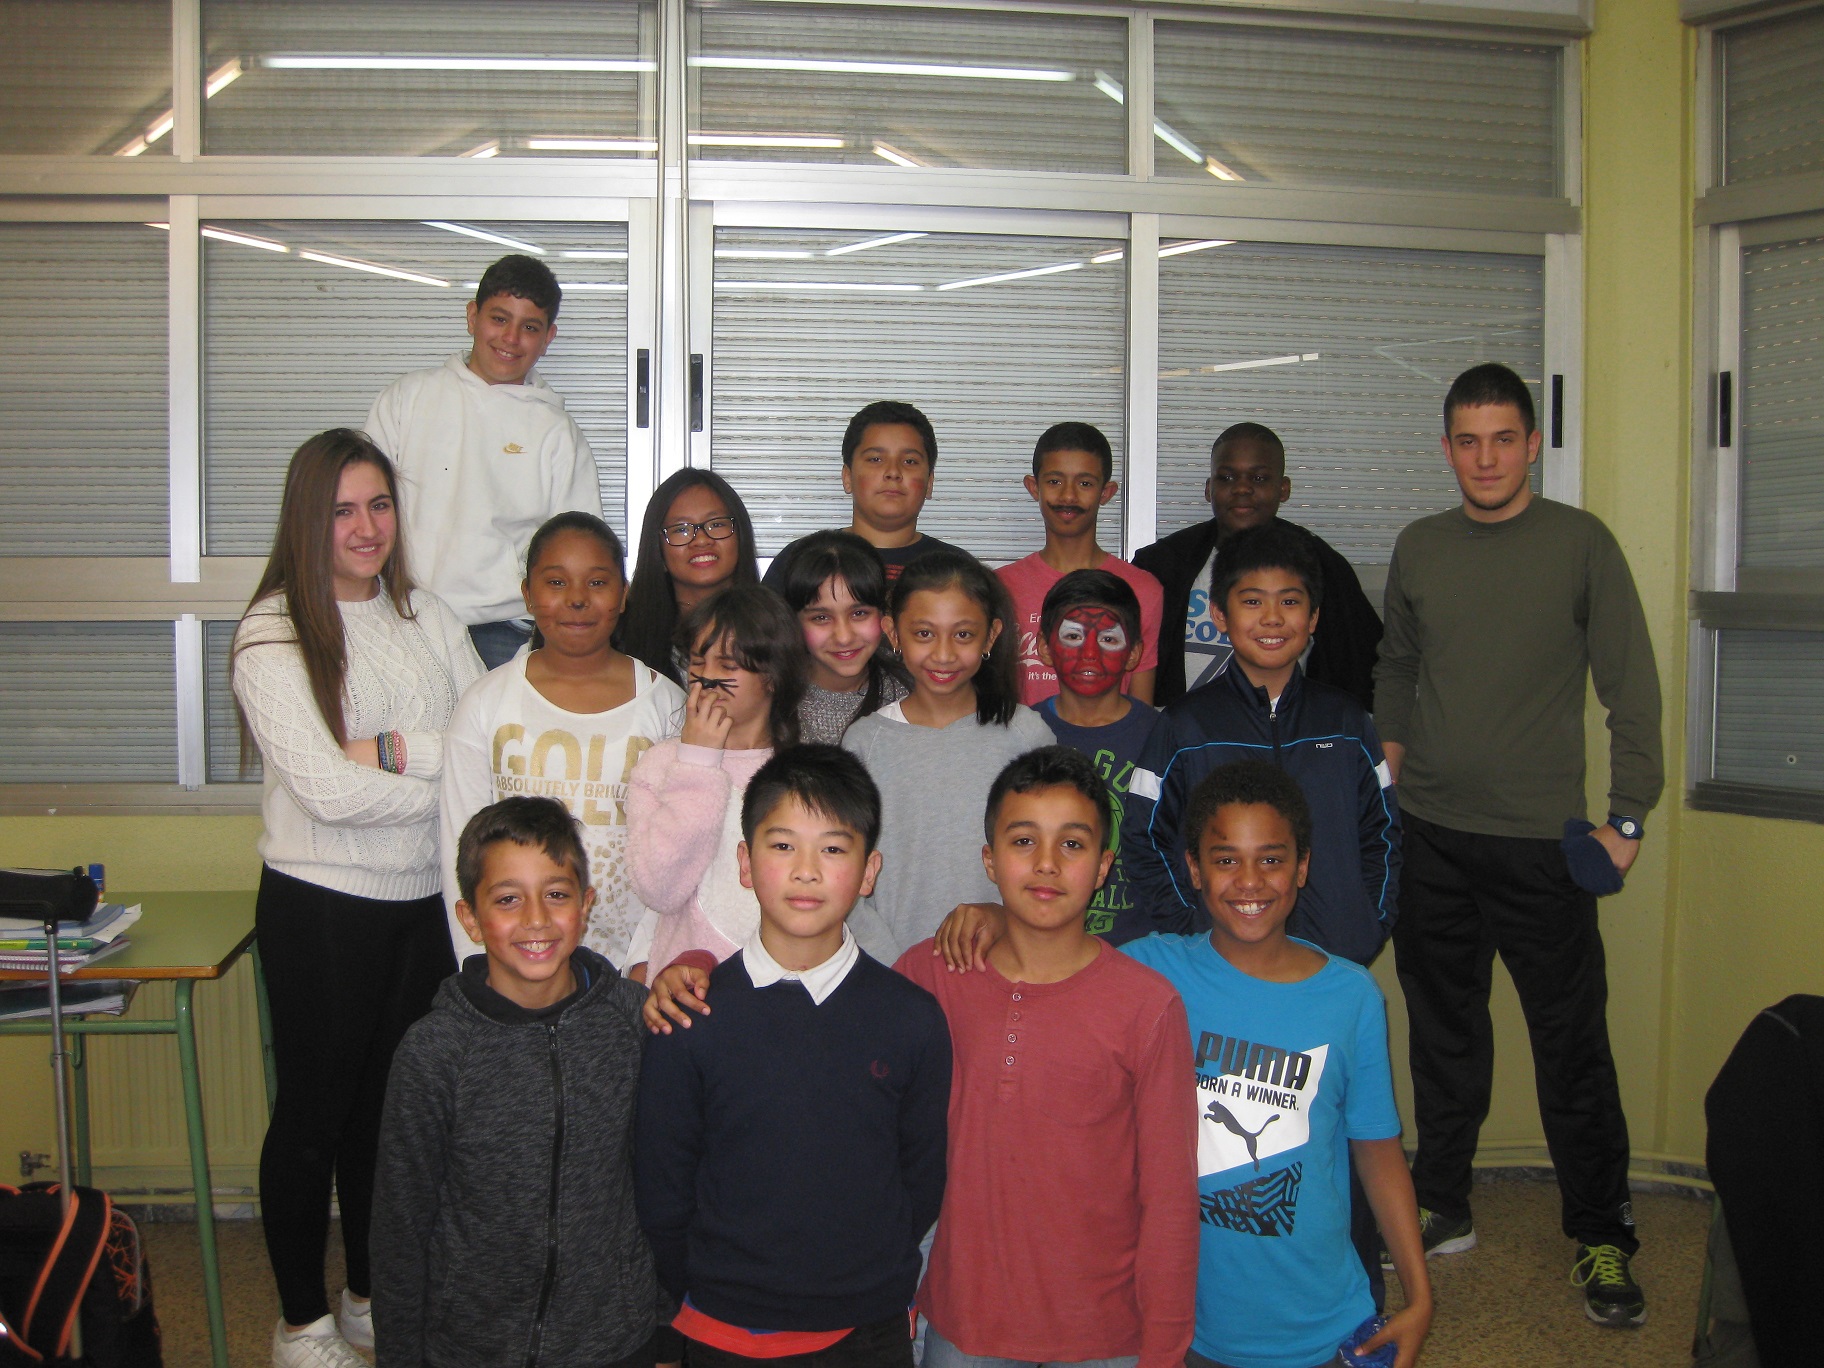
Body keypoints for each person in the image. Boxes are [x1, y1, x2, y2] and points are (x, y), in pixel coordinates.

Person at [1373, 361, 1663, 1328]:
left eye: (1504, 439)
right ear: (1447, 447)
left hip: (1543, 845)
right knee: (1443, 1033)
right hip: (1433, 837)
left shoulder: (1580, 544)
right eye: (1469, 440)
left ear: (1533, 444)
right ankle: (1444, 1201)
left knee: (1570, 1046)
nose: (1486, 458)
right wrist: (1393, 773)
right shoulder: (1420, 546)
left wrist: (1627, 821)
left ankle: (1603, 1234)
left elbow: (1631, 687)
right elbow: (1397, 667)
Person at [231, 428, 483, 1368]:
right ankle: (299, 1323)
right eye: (342, 510)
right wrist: (444, 783)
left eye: (379, 504)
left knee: (387, 1115)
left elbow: (483, 747)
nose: (367, 527)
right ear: (308, 518)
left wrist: (389, 749)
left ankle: (369, 1295)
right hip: (322, 908)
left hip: (423, 903)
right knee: (314, 1116)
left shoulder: (428, 614)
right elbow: (326, 795)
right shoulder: (272, 632)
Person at [634, 744, 952, 1368]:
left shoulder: (911, 1019)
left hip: (866, 1330)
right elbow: (663, 1191)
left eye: (832, 849)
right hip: (723, 1328)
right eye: (782, 845)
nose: (806, 871)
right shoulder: (690, 1017)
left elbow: (920, 1179)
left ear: (868, 871)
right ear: (745, 863)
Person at [898, 747, 1198, 1368]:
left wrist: (1165, 1350)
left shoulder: (1147, 1005)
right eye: (1023, 840)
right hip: (965, 1323)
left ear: (1104, 865)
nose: (1046, 863)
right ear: (989, 859)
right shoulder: (934, 974)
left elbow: (1169, 1197)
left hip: (1104, 1335)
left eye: (1072, 844)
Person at [371, 796, 663, 1368]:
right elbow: (400, 1227)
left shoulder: (635, 1023)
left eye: (556, 894)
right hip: (472, 1347)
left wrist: (665, 1326)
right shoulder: (434, 1053)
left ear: (585, 905)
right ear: (470, 918)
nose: (535, 919)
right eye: (508, 899)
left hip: (614, 1338)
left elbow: (666, 1184)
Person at [1123, 520, 1400, 965]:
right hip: (1216, 963)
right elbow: (1143, 838)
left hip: (1332, 959)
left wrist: (1367, 924)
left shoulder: (1347, 723)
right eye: (1252, 601)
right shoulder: (1185, 726)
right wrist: (1189, 929)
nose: (1272, 618)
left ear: (1313, 617)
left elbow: (1382, 833)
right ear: (1219, 615)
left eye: (1290, 601)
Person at [440, 512, 684, 970]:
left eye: (597, 582)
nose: (576, 599)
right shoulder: (484, 704)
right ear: (527, 594)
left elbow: (679, 850)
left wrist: (646, 964)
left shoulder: (667, 706)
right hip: (514, 963)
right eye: (556, 582)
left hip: (632, 969)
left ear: (623, 594)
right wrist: (481, 969)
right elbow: (461, 851)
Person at [362, 254, 603, 670]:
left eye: (530, 327)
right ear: (473, 317)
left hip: (502, 632)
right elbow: (363, 507)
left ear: (548, 337)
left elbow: (578, 549)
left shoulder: (558, 433)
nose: (511, 338)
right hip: (402, 619)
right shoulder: (407, 399)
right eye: (499, 318)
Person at [840, 550, 1055, 963]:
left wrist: (1005, 921)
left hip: (1005, 967)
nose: (943, 654)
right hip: (894, 971)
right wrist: (894, 967)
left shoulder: (1026, 735)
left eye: (963, 635)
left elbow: (1051, 859)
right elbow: (844, 872)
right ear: (893, 632)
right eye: (924, 633)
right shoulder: (865, 743)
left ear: (991, 636)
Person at [623, 584, 808, 981]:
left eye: (727, 666)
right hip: (682, 989)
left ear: (772, 676)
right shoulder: (661, 765)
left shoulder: (804, 776)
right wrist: (698, 762)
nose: (707, 678)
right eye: (697, 662)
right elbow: (658, 889)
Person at [1133, 422, 1382, 710]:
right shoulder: (1162, 565)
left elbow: (1360, 668)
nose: (1242, 488)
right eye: (1227, 477)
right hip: (1184, 733)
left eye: (1259, 478)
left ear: (1283, 489)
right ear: (1209, 488)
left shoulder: (1320, 565)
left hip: (1286, 734)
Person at [1031, 569, 1161, 944]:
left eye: (1109, 639)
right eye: (1073, 636)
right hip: (1040, 944)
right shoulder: (1020, 735)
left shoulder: (1166, 737)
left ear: (1134, 652)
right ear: (1044, 647)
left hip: (1143, 948)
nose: (1090, 653)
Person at [996, 421, 1163, 705]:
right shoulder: (1000, 586)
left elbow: (1141, 713)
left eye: (1085, 483)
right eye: (1054, 481)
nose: (1068, 496)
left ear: (1106, 492)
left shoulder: (1143, 590)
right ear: (1034, 487)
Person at [762, 400, 967, 589]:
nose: (893, 472)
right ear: (847, 477)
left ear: (929, 482)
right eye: (875, 459)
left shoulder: (958, 570)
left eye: (909, 461)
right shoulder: (800, 561)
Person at [617, 468, 761, 684]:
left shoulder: (773, 628)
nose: (701, 540)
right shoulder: (624, 637)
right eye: (681, 529)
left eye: (716, 524)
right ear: (657, 548)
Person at [772, 528, 911, 744]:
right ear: (794, 621)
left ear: (883, 613)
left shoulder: (913, 695)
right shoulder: (767, 699)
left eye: (859, 613)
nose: (844, 637)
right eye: (821, 618)